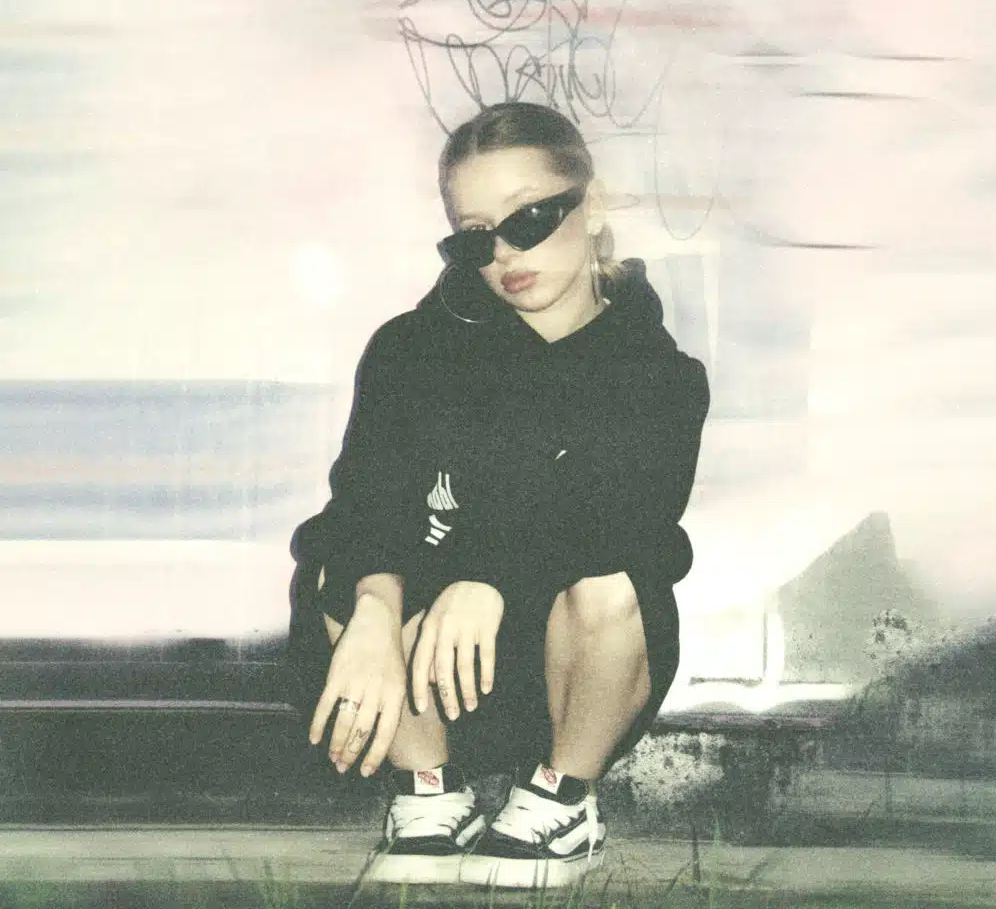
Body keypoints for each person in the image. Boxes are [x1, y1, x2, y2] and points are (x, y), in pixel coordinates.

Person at [284, 101, 710, 890]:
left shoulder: (657, 375)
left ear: (593, 204)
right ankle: (430, 791)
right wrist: (373, 608)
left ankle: (562, 799)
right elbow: (362, 504)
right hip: (432, 680)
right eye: (476, 236)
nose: (506, 252)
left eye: (530, 218)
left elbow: (629, 526)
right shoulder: (410, 351)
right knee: (343, 570)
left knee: (615, 581)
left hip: (566, 683)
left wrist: (490, 577)